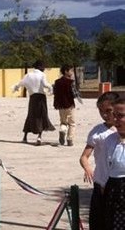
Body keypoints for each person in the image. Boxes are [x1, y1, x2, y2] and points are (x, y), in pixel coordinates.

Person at [79, 91, 119, 230]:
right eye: (101, 111)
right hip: (101, 181)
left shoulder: (120, 131)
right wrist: (88, 168)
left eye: (108, 111)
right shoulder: (97, 132)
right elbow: (84, 156)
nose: (105, 115)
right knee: (98, 221)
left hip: (118, 184)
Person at [95, 96, 125, 229]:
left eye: (121, 116)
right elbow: (104, 173)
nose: (116, 120)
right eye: (115, 115)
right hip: (113, 195)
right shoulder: (110, 140)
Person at [12, 60, 54, 145]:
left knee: (30, 115)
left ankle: (25, 137)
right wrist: (51, 88)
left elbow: (21, 83)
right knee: (41, 115)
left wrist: (16, 87)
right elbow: (45, 84)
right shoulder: (42, 75)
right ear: (41, 67)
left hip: (32, 98)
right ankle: (39, 137)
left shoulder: (28, 75)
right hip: (41, 98)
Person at [52, 65, 78, 146]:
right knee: (72, 123)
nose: (72, 72)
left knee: (63, 122)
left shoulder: (57, 82)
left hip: (60, 106)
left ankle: (62, 130)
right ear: (66, 71)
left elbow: (55, 93)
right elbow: (75, 95)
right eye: (71, 71)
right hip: (70, 105)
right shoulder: (71, 82)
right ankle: (70, 139)